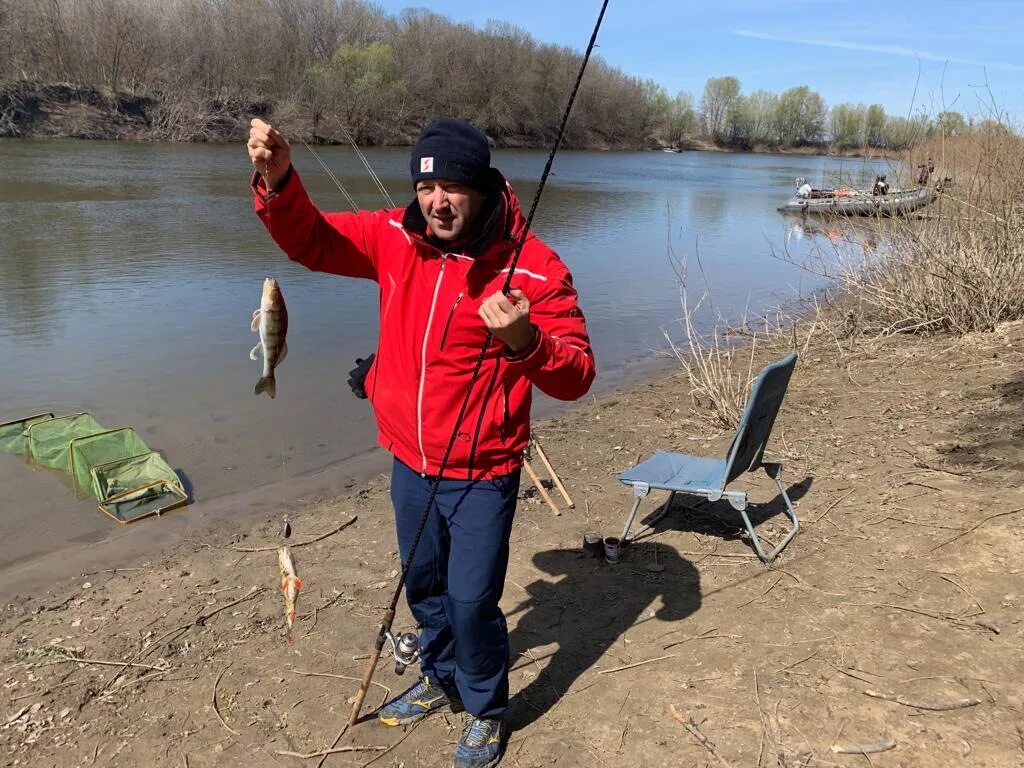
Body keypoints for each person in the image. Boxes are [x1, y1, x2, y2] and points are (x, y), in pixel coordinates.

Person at [247, 117, 596, 768]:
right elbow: (311, 242)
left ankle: (487, 710)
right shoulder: (394, 238)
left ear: (485, 188)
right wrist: (278, 180)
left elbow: (577, 375)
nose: (437, 202)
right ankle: (440, 678)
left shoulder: (538, 271)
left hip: (484, 472)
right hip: (409, 459)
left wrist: (528, 344)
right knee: (427, 591)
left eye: (454, 187)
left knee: (471, 604)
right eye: (427, 187)